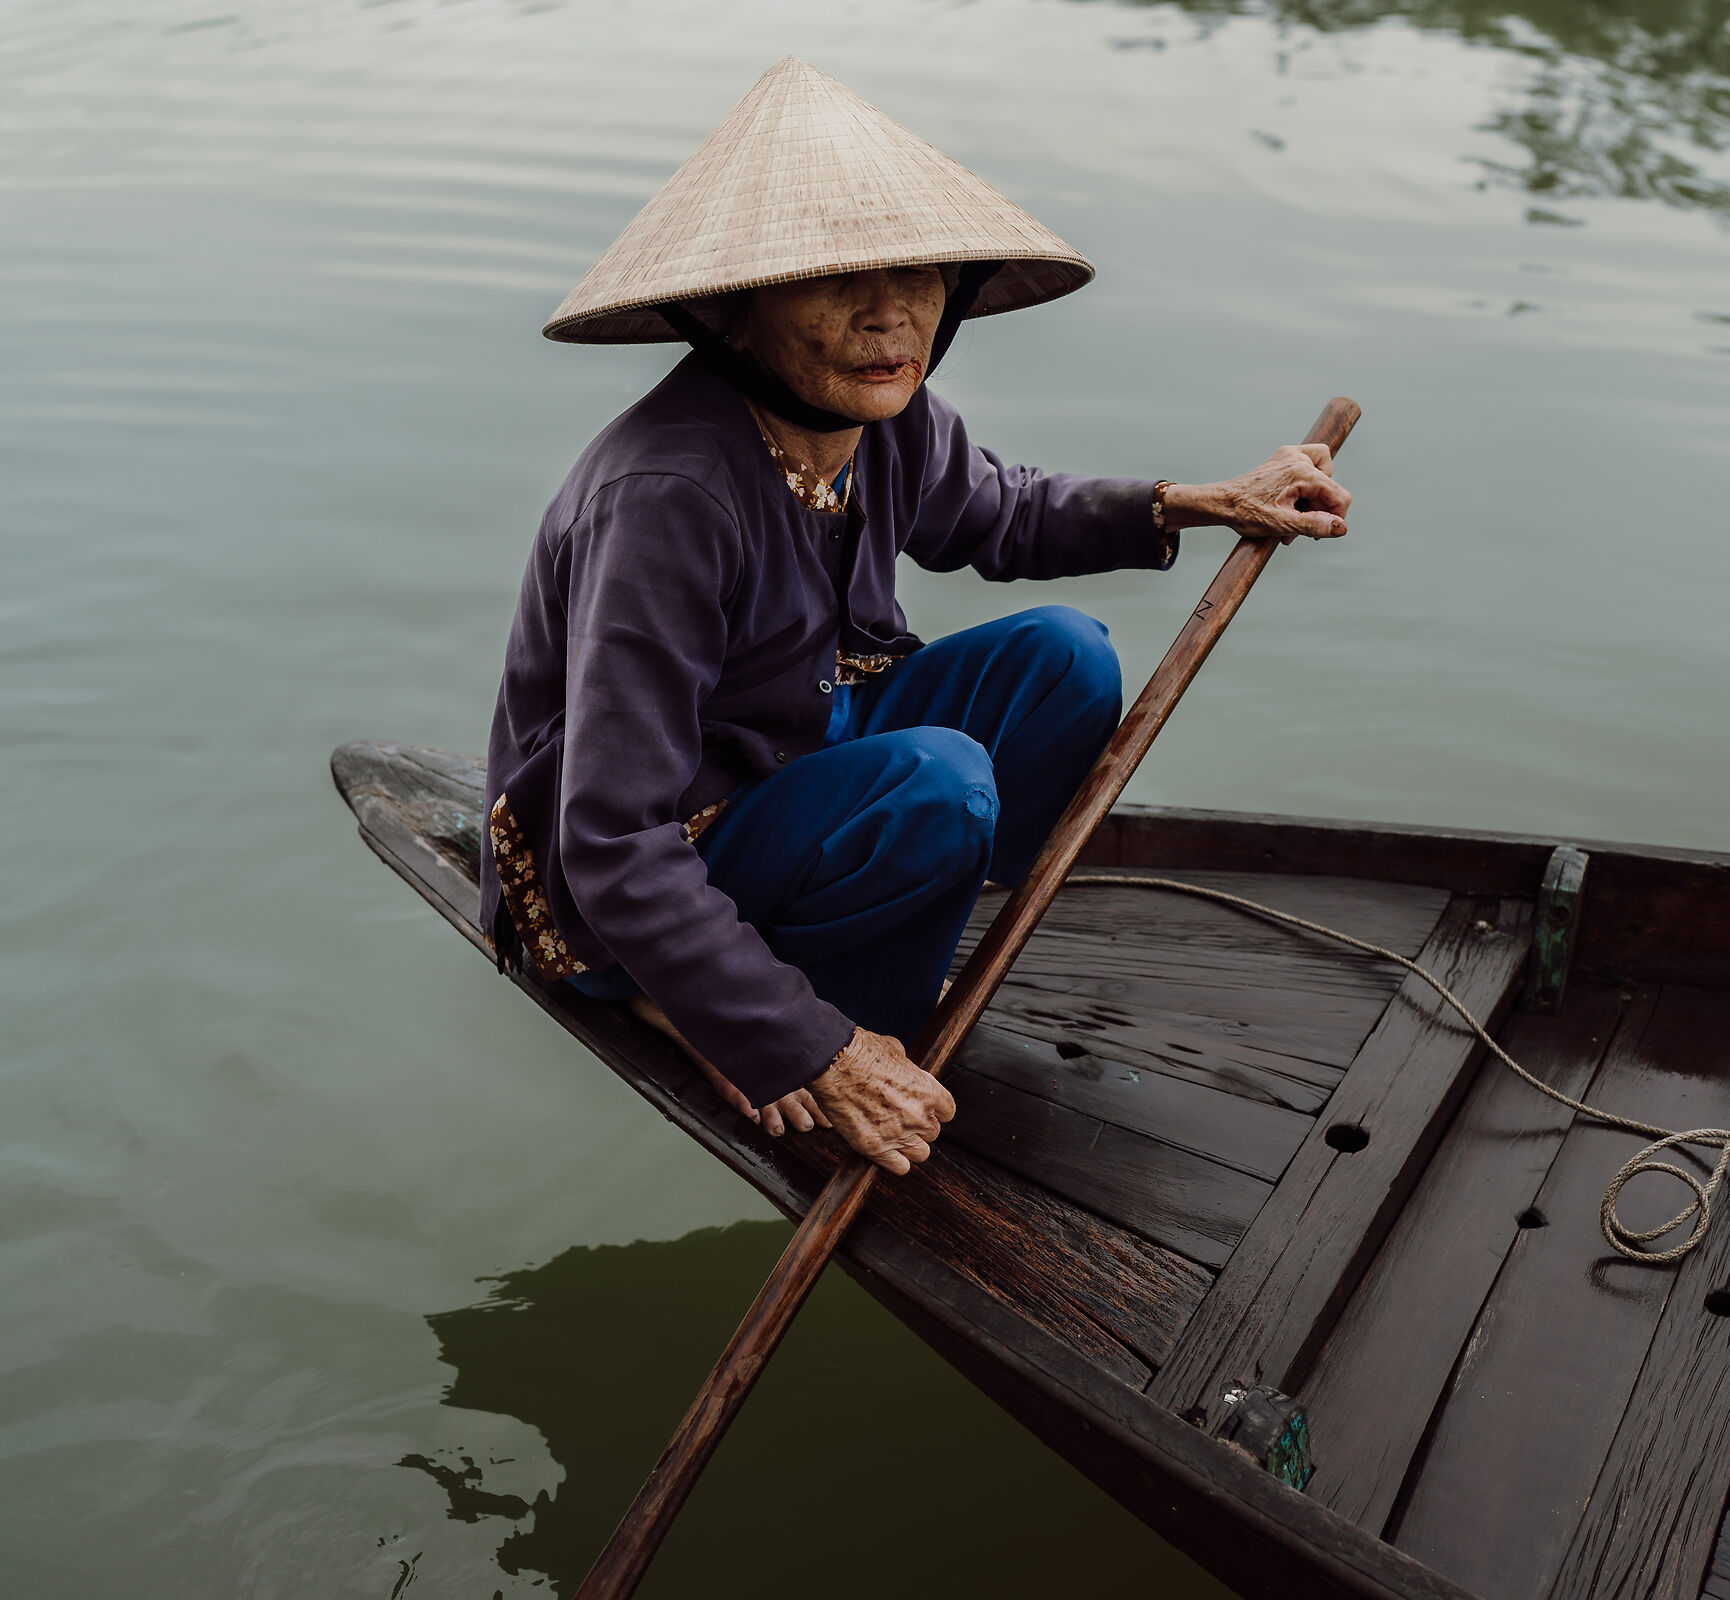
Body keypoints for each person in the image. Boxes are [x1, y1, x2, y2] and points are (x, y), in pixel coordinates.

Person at [480, 60, 1351, 1177]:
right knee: (941, 783)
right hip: (633, 868)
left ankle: (903, 922)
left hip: (798, 747)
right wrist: (813, 1048)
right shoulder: (667, 498)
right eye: (837, 280)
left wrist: (1210, 500)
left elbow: (1006, 514)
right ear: (734, 309)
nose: (889, 316)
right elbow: (612, 842)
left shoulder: (886, 412)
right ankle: (760, 1003)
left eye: (916, 273)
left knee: (1065, 659)